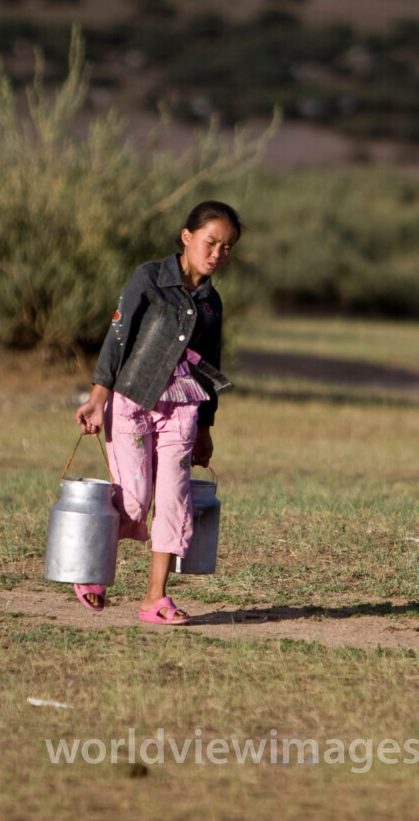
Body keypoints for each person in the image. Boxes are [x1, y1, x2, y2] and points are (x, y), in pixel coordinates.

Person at [72, 200, 241, 625]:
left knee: (173, 501)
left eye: (227, 247)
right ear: (186, 237)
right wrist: (97, 398)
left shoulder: (212, 303)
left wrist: (206, 427)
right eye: (211, 242)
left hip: (183, 409)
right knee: (134, 500)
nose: (217, 253)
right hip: (131, 402)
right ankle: (90, 567)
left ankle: (155, 598)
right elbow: (118, 337)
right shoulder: (148, 278)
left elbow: (209, 364)